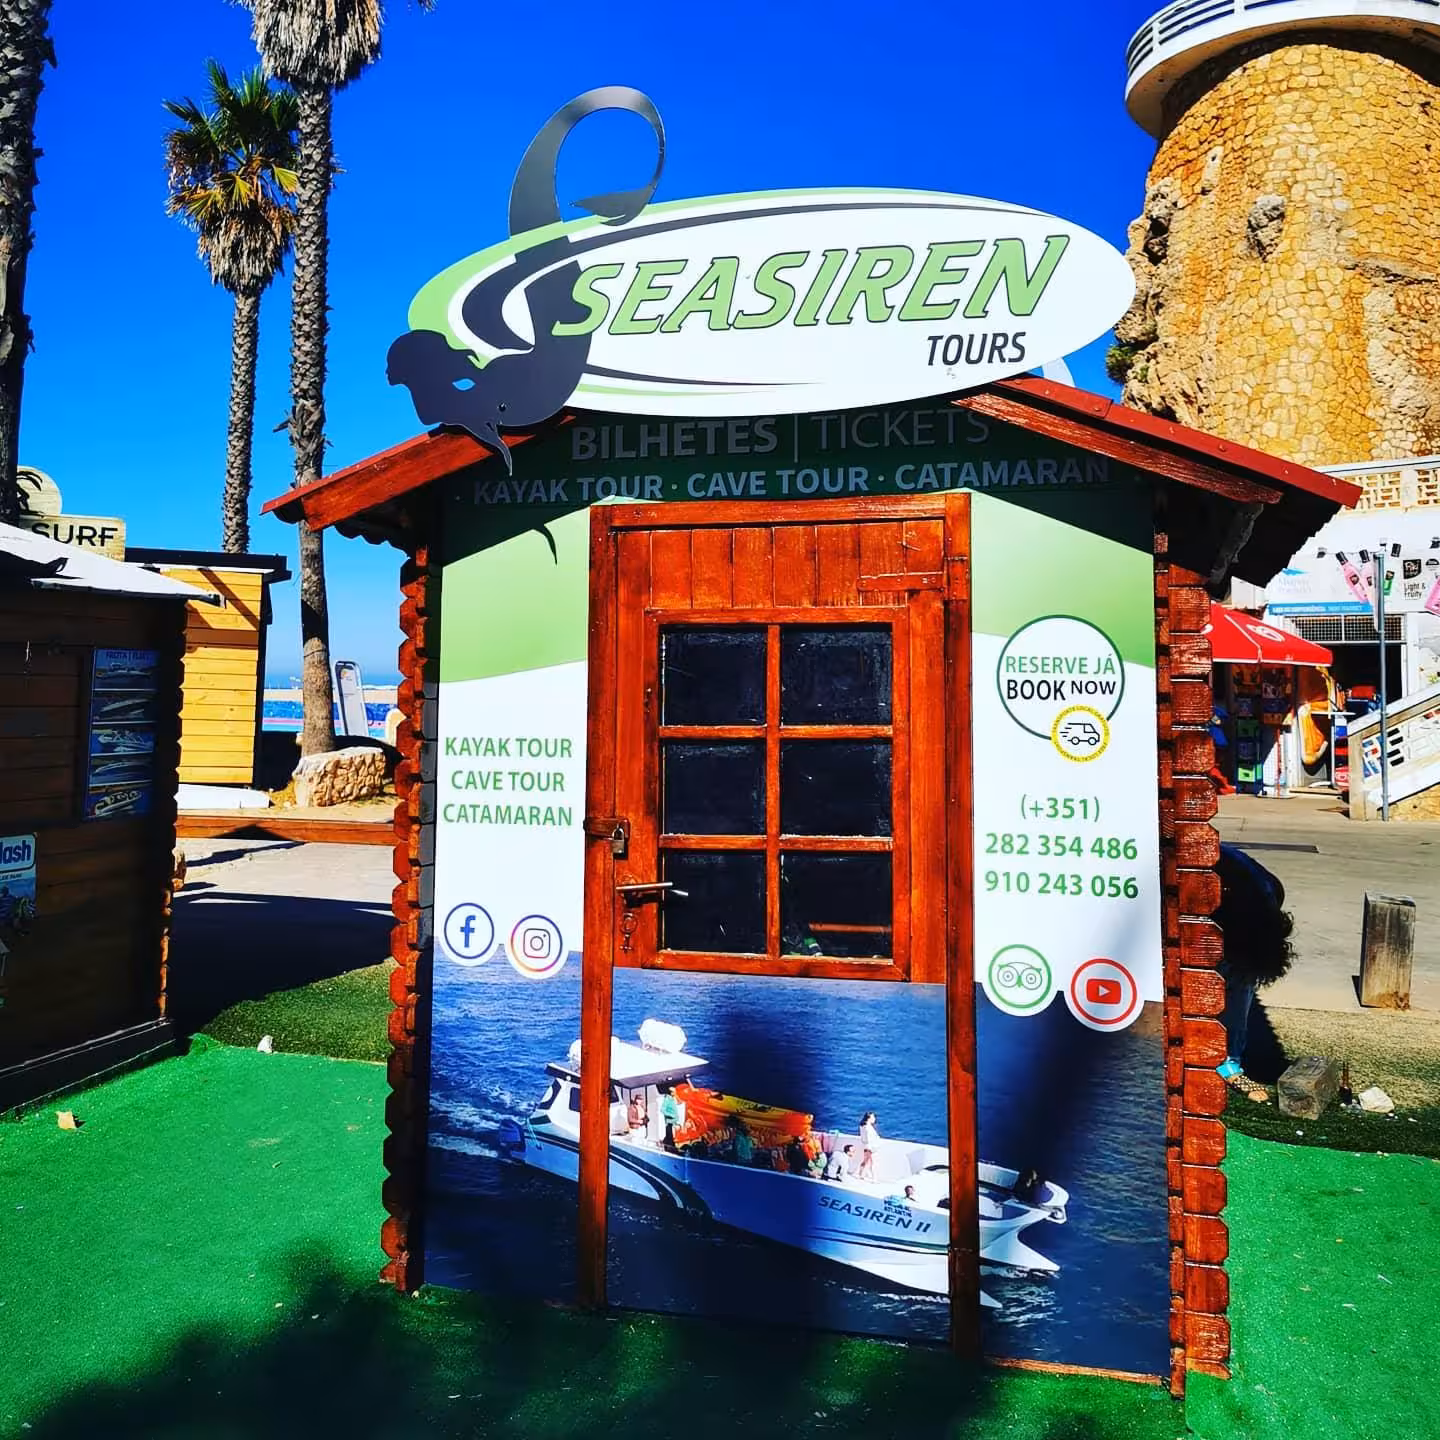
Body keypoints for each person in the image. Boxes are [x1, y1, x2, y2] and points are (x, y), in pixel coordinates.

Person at [1215, 843, 1294, 1104]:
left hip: (1230, 892)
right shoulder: (1227, 895)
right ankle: (1227, 1061)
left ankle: (1230, 1061)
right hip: (1195, 880)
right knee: (1224, 977)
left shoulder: (1272, 894)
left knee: (1238, 980)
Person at [659, 1084, 685, 1152]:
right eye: (674, 1092)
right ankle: (669, 1149)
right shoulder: (667, 1099)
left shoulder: (673, 1099)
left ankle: (671, 1148)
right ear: (670, 1093)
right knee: (669, 1136)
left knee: (672, 1136)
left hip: (674, 1122)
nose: (675, 1093)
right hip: (669, 1122)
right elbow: (662, 1110)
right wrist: (671, 1115)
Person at [858, 1111, 879, 1181]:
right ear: (869, 1118)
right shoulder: (868, 1128)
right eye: (873, 1117)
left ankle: (861, 1174)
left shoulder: (863, 1126)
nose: (874, 1119)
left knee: (865, 1161)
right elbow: (869, 1138)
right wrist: (872, 1148)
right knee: (873, 1162)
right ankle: (874, 1178)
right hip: (871, 1147)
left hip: (866, 1146)